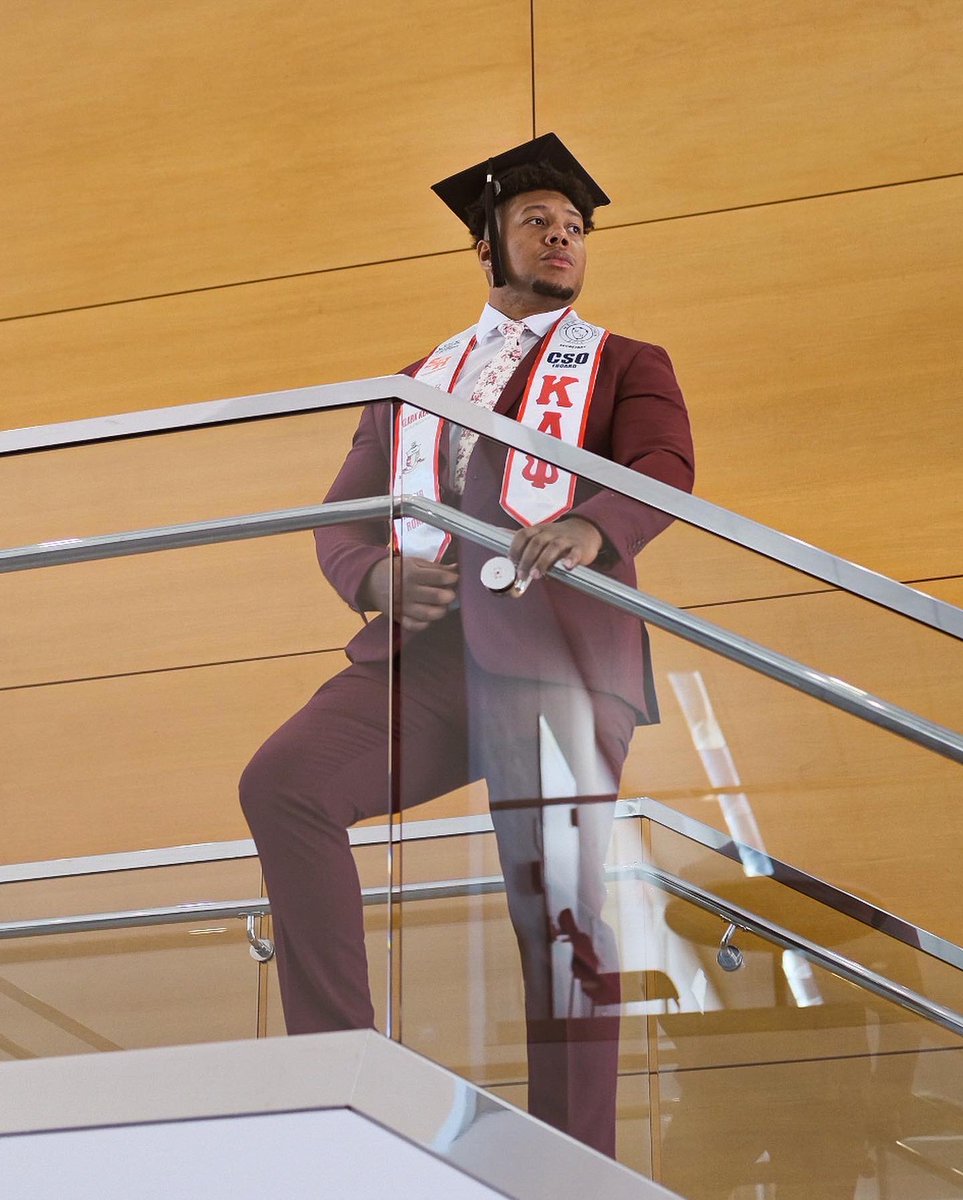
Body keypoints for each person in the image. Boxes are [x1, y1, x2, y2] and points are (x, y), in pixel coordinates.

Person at [240, 134, 694, 1158]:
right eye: (539, 221)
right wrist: (371, 575)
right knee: (287, 781)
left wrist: (593, 526)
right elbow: (347, 512)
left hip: (558, 659)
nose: (563, 237)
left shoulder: (624, 361)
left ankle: (571, 1164)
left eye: (575, 228)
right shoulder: (415, 382)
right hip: (428, 659)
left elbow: (664, 462)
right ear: (486, 244)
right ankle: (337, 1076)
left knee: (559, 913)